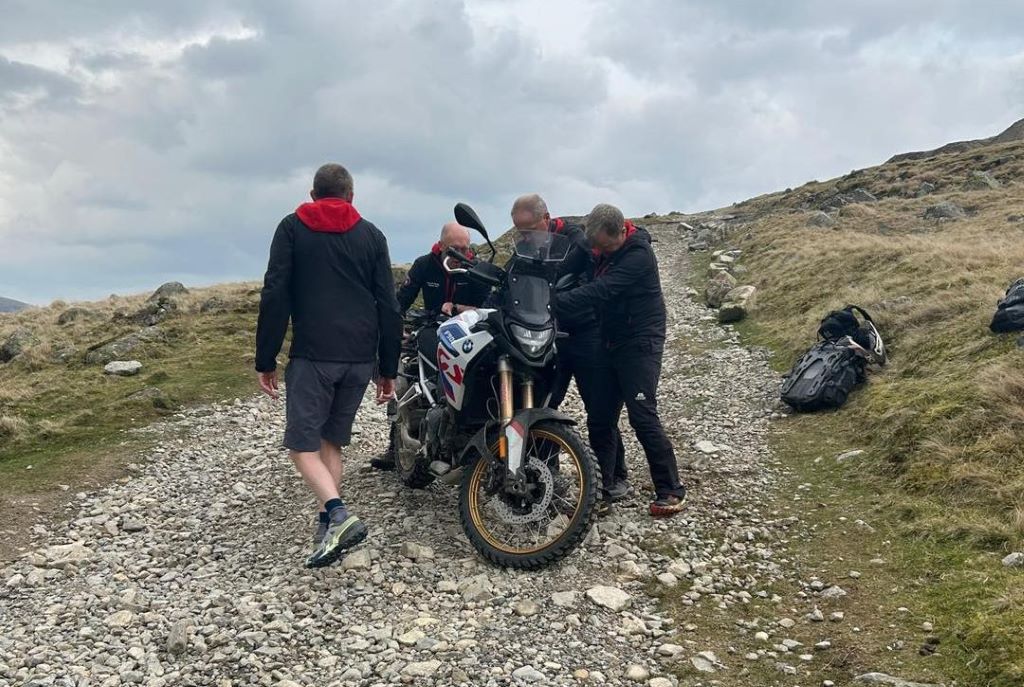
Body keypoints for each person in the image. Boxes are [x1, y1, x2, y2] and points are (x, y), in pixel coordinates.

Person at [255, 163, 403, 567]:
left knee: (300, 446)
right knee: (329, 442)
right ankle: (328, 531)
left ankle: (338, 513)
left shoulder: (291, 228)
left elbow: (275, 294)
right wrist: (387, 368)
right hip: (358, 359)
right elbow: (389, 305)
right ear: (351, 196)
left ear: (313, 193)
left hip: (313, 355)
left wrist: (265, 358)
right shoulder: (372, 235)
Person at [555, 203, 686, 517]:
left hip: (641, 343)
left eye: (604, 246)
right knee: (600, 416)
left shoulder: (638, 256)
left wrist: (553, 304)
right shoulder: (597, 245)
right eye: (595, 246)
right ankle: (607, 485)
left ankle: (670, 489)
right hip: (608, 342)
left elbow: (602, 290)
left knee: (642, 415)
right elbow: (565, 271)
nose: (599, 252)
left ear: (619, 233)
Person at [509, 194, 631, 505]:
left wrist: (561, 293)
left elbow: (582, 275)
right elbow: (513, 279)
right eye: (519, 231)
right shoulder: (523, 247)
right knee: (542, 404)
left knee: (599, 408)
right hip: (546, 336)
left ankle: (613, 476)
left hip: (586, 332)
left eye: (529, 228)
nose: (525, 236)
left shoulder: (576, 240)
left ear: (546, 218)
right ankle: (546, 472)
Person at [369, 222, 490, 471]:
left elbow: (490, 303)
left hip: (470, 329)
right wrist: (391, 328)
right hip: (433, 327)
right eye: (455, 249)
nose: (460, 255)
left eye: (465, 249)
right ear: (442, 246)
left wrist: (462, 309)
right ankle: (396, 450)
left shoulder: (475, 268)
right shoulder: (425, 264)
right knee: (434, 365)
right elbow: (401, 301)